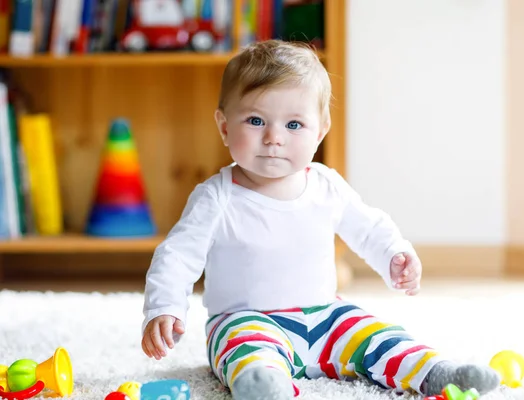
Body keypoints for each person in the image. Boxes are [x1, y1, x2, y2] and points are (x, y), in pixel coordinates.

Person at [141, 40, 500, 399]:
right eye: (255, 121)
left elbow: (368, 226)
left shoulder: (326, 185)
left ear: (321, 130)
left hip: (327, 316)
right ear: (223, 126)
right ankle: (265, 386)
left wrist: (394, 254)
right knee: (247, 352)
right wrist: (165, 307)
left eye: (294, 124)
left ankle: (435, 372)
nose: (274, 138)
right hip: (245, 318)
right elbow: (177, 256)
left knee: (375, 335)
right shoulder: (216, 197)